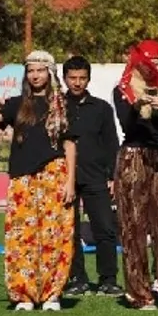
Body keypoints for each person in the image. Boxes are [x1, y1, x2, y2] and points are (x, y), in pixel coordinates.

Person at [0, 51, 77, 311]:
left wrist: (70, 182)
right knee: (21, 236)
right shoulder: (17, 103)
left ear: (50, 73)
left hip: (55, 173)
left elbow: (69, 145)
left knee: (55, 234)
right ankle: (24, 294)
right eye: (31, 71)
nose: (35, 75)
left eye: (40, 70)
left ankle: (51, 295)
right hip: (22, 177)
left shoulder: (63, 105)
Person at [113, 39, 158, 310]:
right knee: (133, 226)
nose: (154, 65)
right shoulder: (123, 89)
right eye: (149, 60)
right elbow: (128, 127)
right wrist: (137, 106)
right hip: (134, 157)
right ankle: (139, 294)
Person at [61, 56, 122, 296]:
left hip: (96, 176)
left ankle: (108, 279)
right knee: (70, 229)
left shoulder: (102, 108)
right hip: (65, 178)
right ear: (65, 79)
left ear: (88, 79)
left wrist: (113, 176)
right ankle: (77, 278)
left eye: (82, 78)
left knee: (105, 228)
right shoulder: (56, 107)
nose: (77, 82)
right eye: (72, 78)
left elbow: (111, 143)